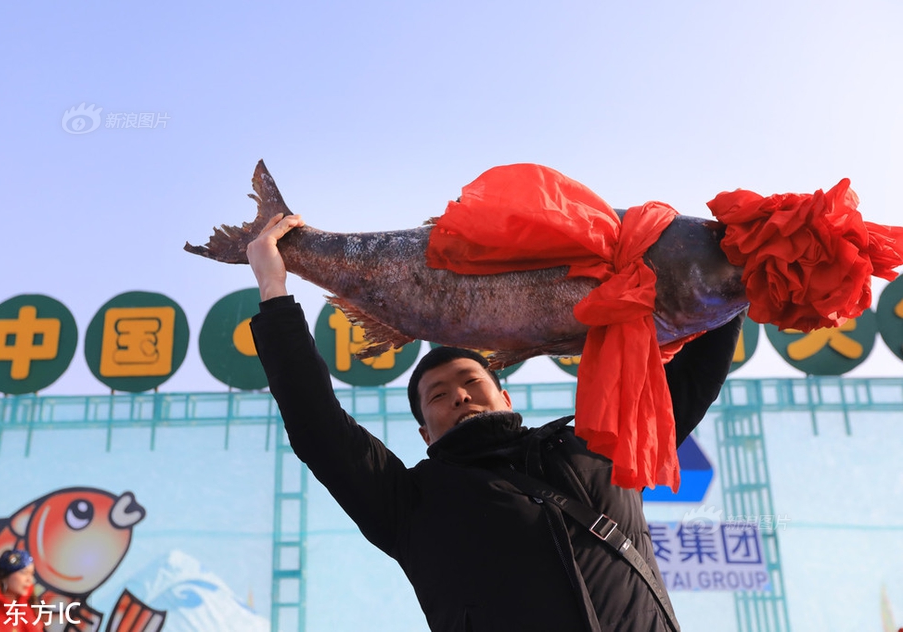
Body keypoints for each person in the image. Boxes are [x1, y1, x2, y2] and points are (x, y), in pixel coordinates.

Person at [248, 212, 744, 631]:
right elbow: (318, 429)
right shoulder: (408, 505)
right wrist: (273, 289)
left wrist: (742, 267)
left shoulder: (599, 445)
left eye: (470, 381)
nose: (459, 395)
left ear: (504, 396)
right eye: (438, 396)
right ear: (424, 433)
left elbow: (692, 378)